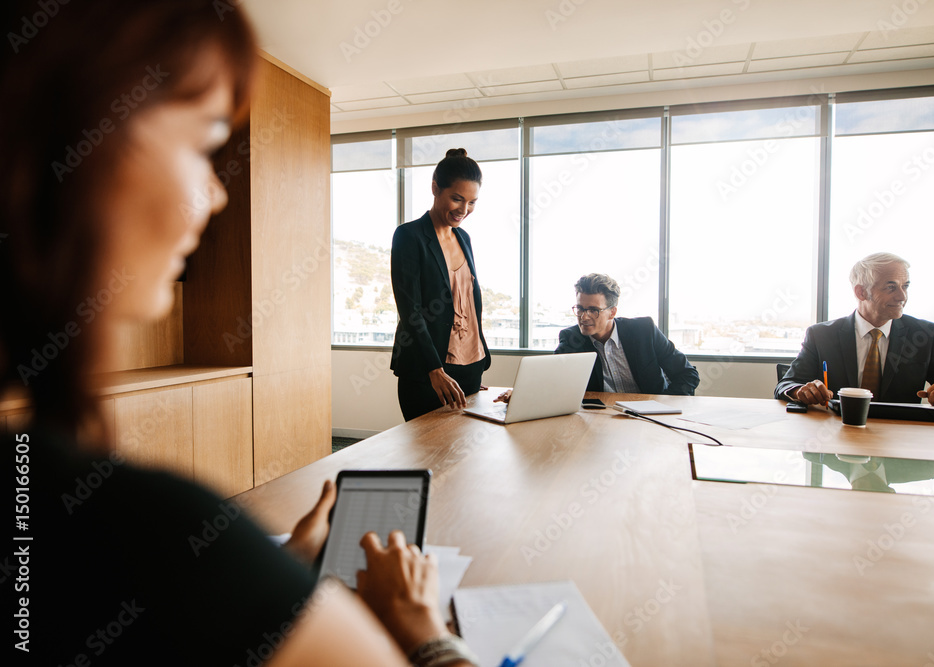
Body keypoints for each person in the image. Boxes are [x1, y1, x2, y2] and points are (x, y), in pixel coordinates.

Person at [0, 2, 475, 665]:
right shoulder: (156, 530)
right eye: (201, 145)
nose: (217, 196)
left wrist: (276, 566)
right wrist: (422, 625)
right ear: (78, 150)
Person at [775, 252, 934, 415]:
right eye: (891, 287)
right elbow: (786, 384)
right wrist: (801, 391)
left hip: (901, 441)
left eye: (905, 286)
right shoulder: (821, 335)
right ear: (861, 292)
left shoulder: (926, 335)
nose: (902, 297)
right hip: (835, 438)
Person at [390, 149, 491, 421]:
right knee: (427, 453)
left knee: (465, 457)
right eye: (457, 199)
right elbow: (410, 309)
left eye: (472, 202)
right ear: (435, 188)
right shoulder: (409, 236)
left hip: (470, 365)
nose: (464, 210)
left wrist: (478, 357)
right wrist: (434, 369)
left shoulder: (464, 238)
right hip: (429, 370)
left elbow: (469, 299)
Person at [554, 273, 700, 395]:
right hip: (602, 419)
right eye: (580, 308)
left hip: (651, 416)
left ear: (612, 312)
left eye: (593, 310)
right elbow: (557, 385)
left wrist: (664, 406)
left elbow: (687, 375)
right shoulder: (571, 338)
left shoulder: (644, 330)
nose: (584, 317)